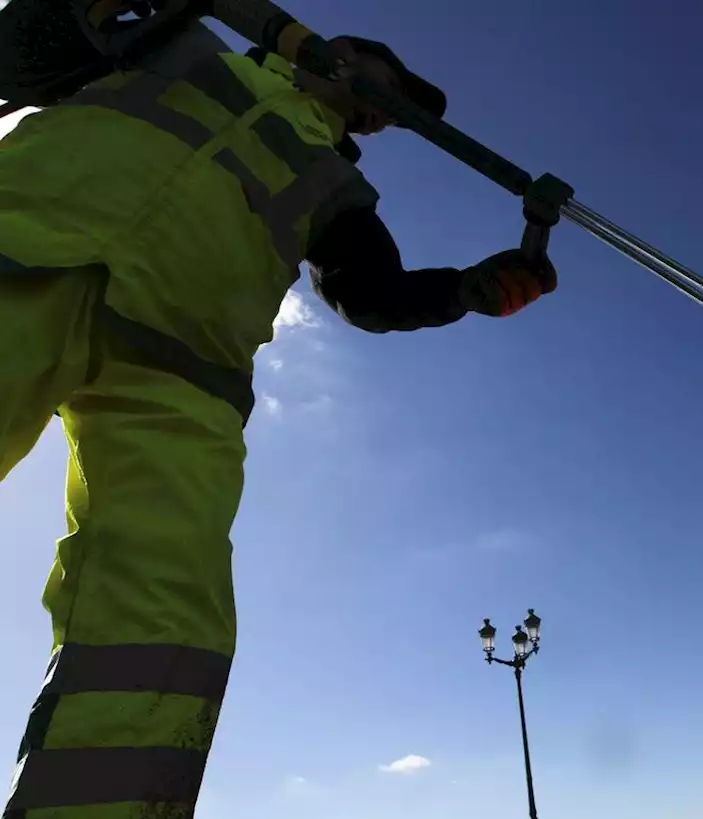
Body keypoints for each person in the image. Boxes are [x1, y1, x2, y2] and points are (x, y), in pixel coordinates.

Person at [0, 18, 555, 817]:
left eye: (390, 117)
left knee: (163, 623)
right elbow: (24, 51)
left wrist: (468, 288)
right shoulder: (179, 40)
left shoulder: (337, 188)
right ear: (349, 50)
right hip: (29, 251)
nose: (379, 114)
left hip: (184, 374)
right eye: (387, 92)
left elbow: (373, 296)